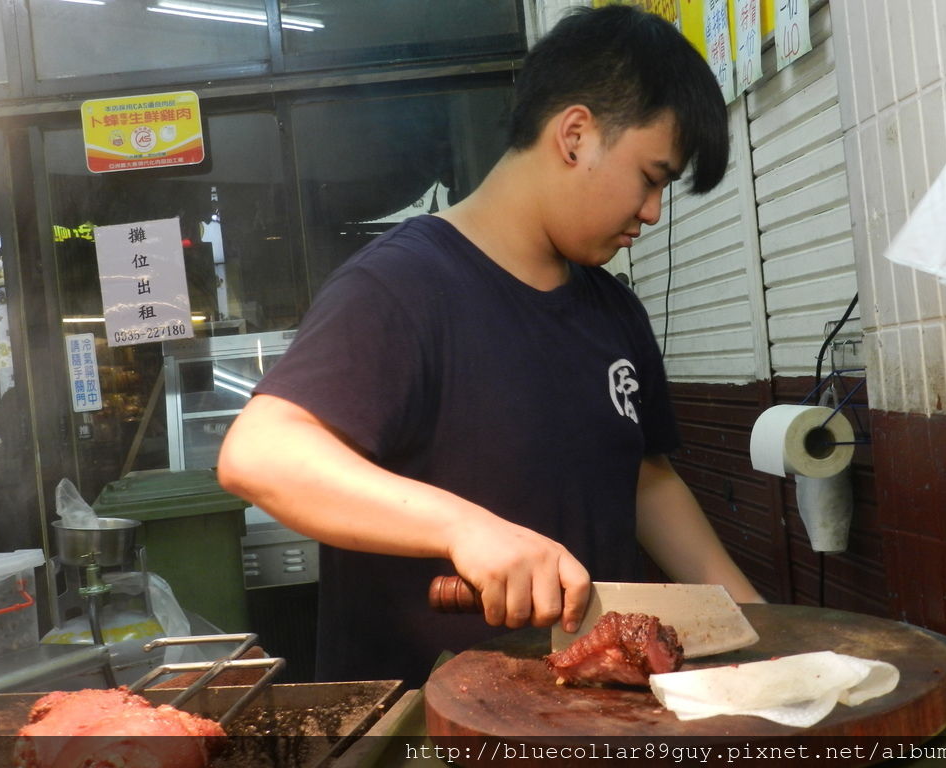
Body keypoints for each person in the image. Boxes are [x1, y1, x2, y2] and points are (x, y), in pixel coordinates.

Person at [218, 4, 765, 688]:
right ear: (575, 136)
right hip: (433, 727)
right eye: (651, 178)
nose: (652, 211)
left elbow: (645, 478)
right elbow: (261, 453)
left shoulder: (613, 309)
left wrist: (755, 623)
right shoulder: (401, 286)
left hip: (593, 715)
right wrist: (464, 529)